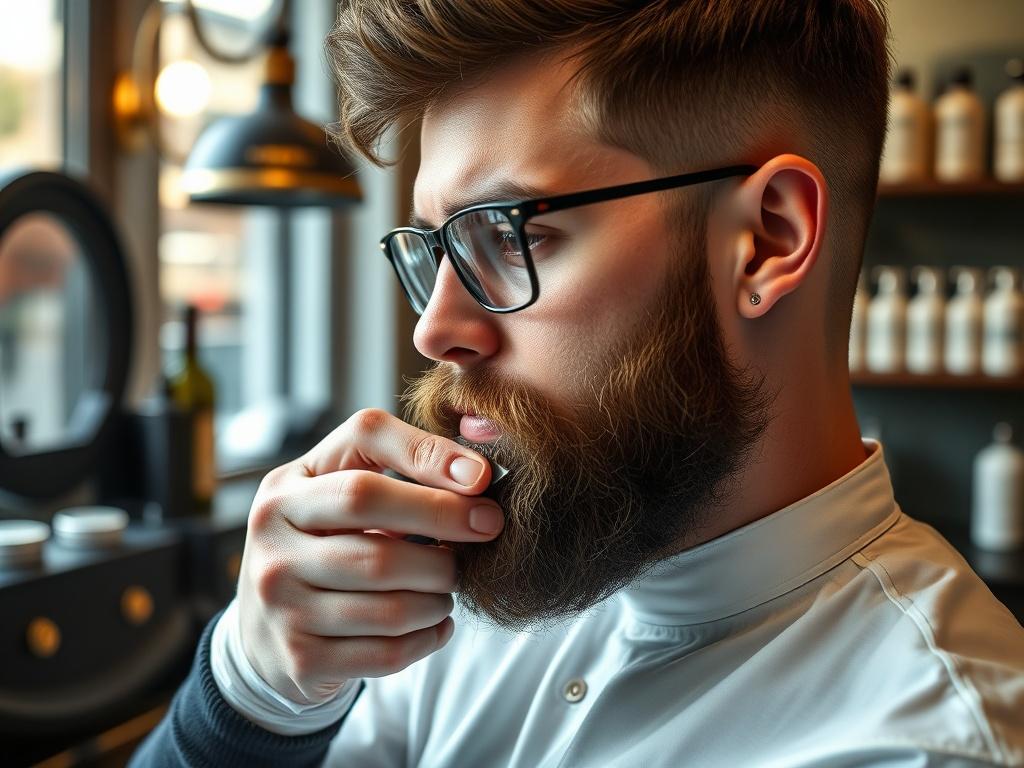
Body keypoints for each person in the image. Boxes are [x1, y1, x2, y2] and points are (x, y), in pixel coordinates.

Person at [131, 1, 1024, 765]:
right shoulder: (451, 611)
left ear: (768, 239)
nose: (434, 328)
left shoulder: (920, 739)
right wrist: (251, 694)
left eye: (507, 234)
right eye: (435, 248)